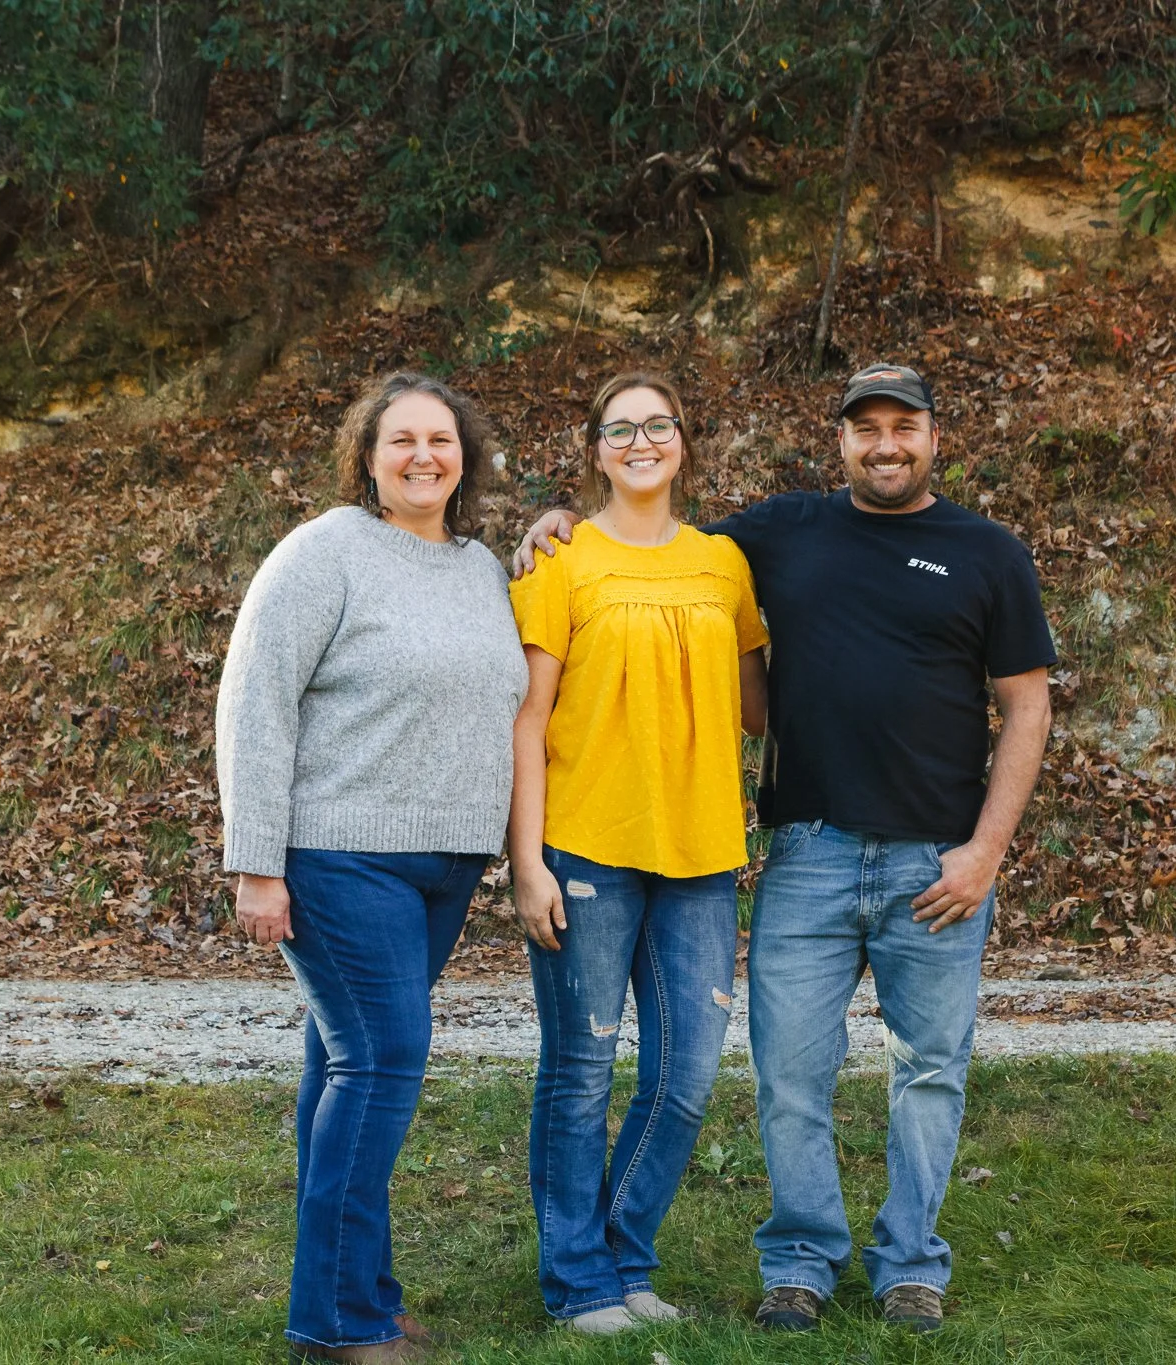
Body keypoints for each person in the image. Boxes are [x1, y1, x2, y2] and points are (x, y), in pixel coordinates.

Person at [513, 362, 1054, 1335]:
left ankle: (908, 1269)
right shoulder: (775, 534)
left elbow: (1027, 706)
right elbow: (640, 535)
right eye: (864, 428)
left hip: (932, 860)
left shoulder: (987, 553)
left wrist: (984, 852)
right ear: (838, 439)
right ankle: (794, 1264)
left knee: (922, 1070)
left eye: (903, 426)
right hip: (802, 851)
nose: (883, 444)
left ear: (933, 436)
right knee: (784, 1074)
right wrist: (554, 516)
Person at [217, 371, 528, 1363]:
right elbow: (255, 703)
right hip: (340, 854)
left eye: (440, 440)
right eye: (401, 441)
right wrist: (254, 865)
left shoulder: (481, 567)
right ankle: (345, 1322)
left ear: (464, 458)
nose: (423, 456)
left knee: (341, 1067)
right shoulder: (324, 552)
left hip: (444, 866)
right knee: (382, 1060)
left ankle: (348, 1300)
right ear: (367, 456)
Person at [507, 372, 770, 1335]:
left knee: (684, 1074)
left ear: (685, 442)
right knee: (580, 1067)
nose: (642, 440)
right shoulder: (561, 562)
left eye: (658, 424)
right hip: (585, 844)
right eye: (621, 429)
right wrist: (525, 861)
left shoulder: (723, 563)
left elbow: (758, 705)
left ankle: (624, 1254)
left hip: (701, 851)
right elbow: (528, 720)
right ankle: (579, 1280)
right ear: (597, 450)